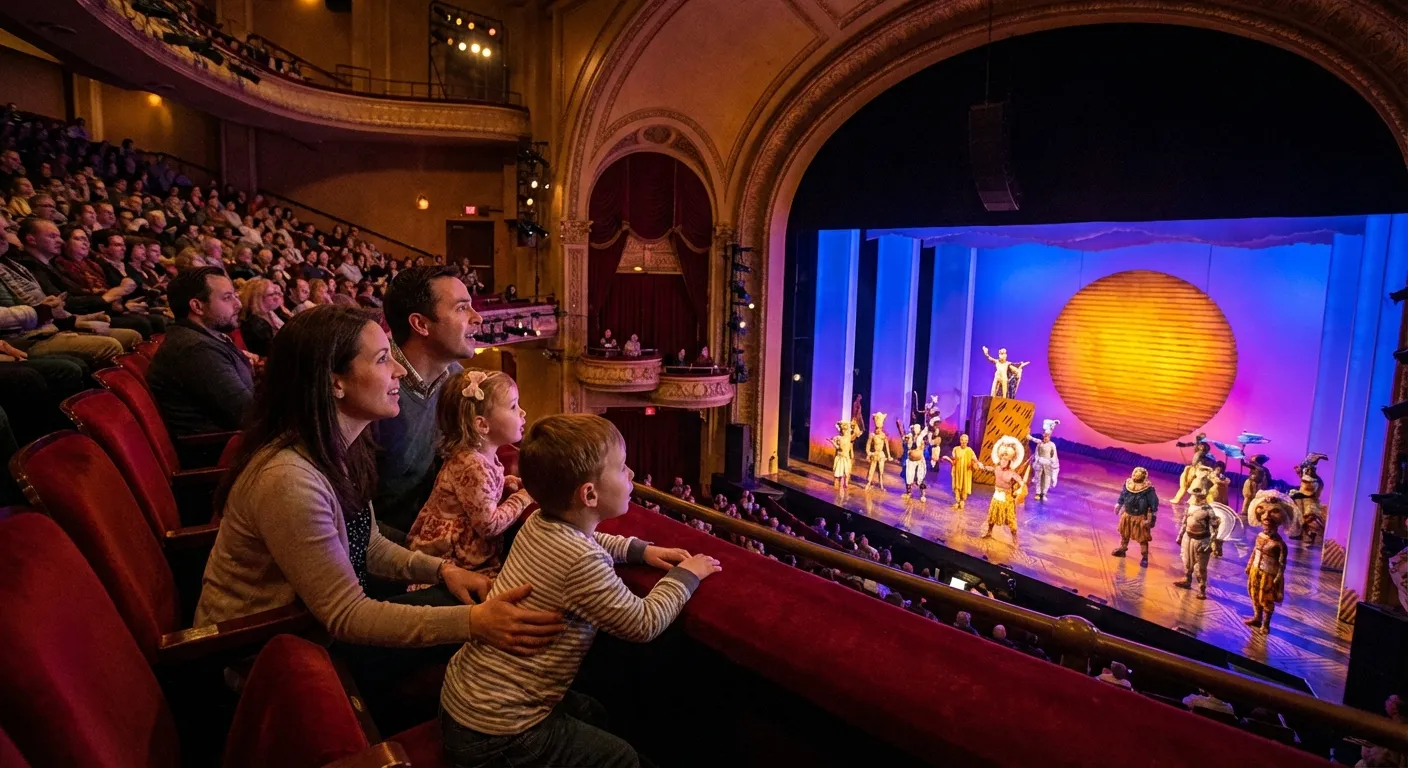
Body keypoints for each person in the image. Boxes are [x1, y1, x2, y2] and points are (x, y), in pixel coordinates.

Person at [439, 413, 721, 768]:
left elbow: (587, 539)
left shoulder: (539, 523)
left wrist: (640, 550)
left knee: (593, 711)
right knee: (623, 758)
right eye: (622, 467)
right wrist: (688, 575)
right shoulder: (581, 562)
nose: (631, 474)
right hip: (498, 735)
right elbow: (644, 622)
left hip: (464, 701)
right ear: (589, 494)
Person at [374, 266, 482, 538]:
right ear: (421, 324)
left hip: (432, 538)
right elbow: (350, 512)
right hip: (383, 552)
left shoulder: (457, 379)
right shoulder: (373, 389)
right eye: (461, 308)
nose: (477, 318)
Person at [405, 370, 534, 576]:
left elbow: (478, 493)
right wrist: (524, 497)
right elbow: (489, 525)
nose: (522, 412)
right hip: (450, 560)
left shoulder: (479, 457)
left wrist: (505, 482)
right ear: (482, 425)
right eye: (513, 406)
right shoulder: (472, 465)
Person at [146, 267, 254, 436]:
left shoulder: (204, 338)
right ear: (197, 306)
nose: (238, 304)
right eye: (227, 297)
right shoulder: (196, 350)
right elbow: (249, 415)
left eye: (235, 295)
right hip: (223, 450)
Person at [1244, 491, 1290, 633]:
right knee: (1254, 594)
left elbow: (1282, 563)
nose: (1266, 529)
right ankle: (1257, 617)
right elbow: (1255, 551)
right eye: (1264, 527)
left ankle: (1266, 624)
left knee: (1266, 598)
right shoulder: (1259, 536)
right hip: (1255, 570)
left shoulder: (1279, 544)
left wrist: (1277, 577)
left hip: (1268, 574)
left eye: (1269, 527)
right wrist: (1249, 564)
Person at [1175, 481, 1220, 600]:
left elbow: (1215, 529)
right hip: (1188, 538)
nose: (1197, 497)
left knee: (1200, 567)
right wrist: (1180, 535)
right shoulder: (1190, 506)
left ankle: (1202, 589)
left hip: (1201, 540)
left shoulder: (1208, 510)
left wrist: (1210, 544)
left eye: (1199, 495)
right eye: (1196, 495)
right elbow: (1185, 522)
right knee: (1187, 562)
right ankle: (1187, 580)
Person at [976, 435, 1024, 542]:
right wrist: (982, 466)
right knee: (992, 516)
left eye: (1005, 459)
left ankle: (1015, 538)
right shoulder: (997, 468)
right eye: (1002, 458)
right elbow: (990, 469)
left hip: (1007, 499)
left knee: (1010, 519)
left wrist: (1020, 489)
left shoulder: (1012, 473)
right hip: (996, 497)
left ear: (1009, 461)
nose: (1003, 461)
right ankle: (989, 532)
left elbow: (1021, 482)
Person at [1112, 467, 1159, 567]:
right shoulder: (1128, 484)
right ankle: (1123, 549)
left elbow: (1153, 504)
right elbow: (1123, 495)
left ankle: (1145, 557)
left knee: (1142, 538)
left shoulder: (1148, 489)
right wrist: (1119, 504)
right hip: (1128, 515)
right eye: (1135, 474)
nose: (1136, 476)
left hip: (1140, 517)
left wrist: (1153, 517)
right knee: (1124, 533)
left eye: (1138, 475)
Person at [238, 277, 284, 357]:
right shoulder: (255, 324)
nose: (277, 298)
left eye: (276, 293)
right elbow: (271, 352)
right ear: (257, 298)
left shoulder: (272, 312)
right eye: (271, 295)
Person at [940, 433, 977, 510]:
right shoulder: (956, 449)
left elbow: (974, 459)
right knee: (957, 485)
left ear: (967, 441)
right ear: (960, 441)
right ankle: (957, 501)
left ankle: (962, 500)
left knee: (964, 485)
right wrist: (947, 458)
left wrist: (974, 463)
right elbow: (953, 459)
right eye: (962, 440)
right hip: (957, 471)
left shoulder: (969, 450)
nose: (964, 442)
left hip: (966, 472)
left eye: (966, 441)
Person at [1171, 433, 1211, 504]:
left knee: (1188, 486)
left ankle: (1191, 500)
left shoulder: (1202, 452)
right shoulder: (1198, 446)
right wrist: (1181, 445)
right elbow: (1189, 444)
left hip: (1196, 469)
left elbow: (1200, 463)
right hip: (1192, 468)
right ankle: (1177, 498)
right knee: (1184, 485)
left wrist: (1207, 467)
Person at [898, 420, 929, 501]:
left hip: (919, 461)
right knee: (909, 476)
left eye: (917, 428)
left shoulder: (921, 438)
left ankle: (923, 494)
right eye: (914, 428)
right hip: (911, 460)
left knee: (920, 477)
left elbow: (925, 445)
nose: (916, 430)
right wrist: (906, 438)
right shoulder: (910, 436)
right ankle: (908, 493)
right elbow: (905, 440)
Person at [864, 412, 892, 492]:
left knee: (881, 470)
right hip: (875, 454)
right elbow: (868, 445)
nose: (878, 430)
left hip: (881, 454)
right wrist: (868, 453)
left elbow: (886, 446)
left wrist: (889, 456)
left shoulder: (883, 435)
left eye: (879, 429)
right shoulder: (872, 435)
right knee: (871, 469)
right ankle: (868, 483)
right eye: (877, 429)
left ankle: (881, 485)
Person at [1027, 430, 1058, 501]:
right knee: (1039, 478)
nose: (1046, 438)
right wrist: (1037, 460)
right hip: (1040, 463)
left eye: (1047, 437)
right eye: (1045, 436)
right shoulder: (1040, 443)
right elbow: (1034, 441)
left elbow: (1054, 455)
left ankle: (1043, 494)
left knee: (1046, 479)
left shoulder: (1052, 445)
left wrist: (1052, 463)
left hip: (1047, 464)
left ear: (1049, 437)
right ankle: (1038, 493)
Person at [831, 417, 859, 491]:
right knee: (838, 472)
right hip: (840, 456)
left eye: (845, 429)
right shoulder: (838, 438)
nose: (844, 431)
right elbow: (837, 447)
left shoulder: (849, 437)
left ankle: (845, 483)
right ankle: (836, 484)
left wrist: (855, 425)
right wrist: (833, 443)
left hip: (846, 457)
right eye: (842, 429)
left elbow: (855, 435)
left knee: (846, 471)